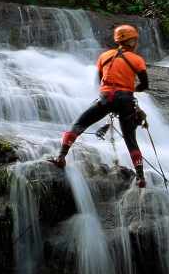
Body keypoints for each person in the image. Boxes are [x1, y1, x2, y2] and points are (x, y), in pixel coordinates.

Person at [48, 23, 149, 188]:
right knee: (130, 139)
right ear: (132, 42)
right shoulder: (137, 60)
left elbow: (100, 81)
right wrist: (131, 89)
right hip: (126, 101)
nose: (136, 43)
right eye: (135, 40)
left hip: (106, 98)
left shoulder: (105, 56)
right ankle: (140, 177)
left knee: (79, 124)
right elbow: (144, 85)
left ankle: (61, 157)